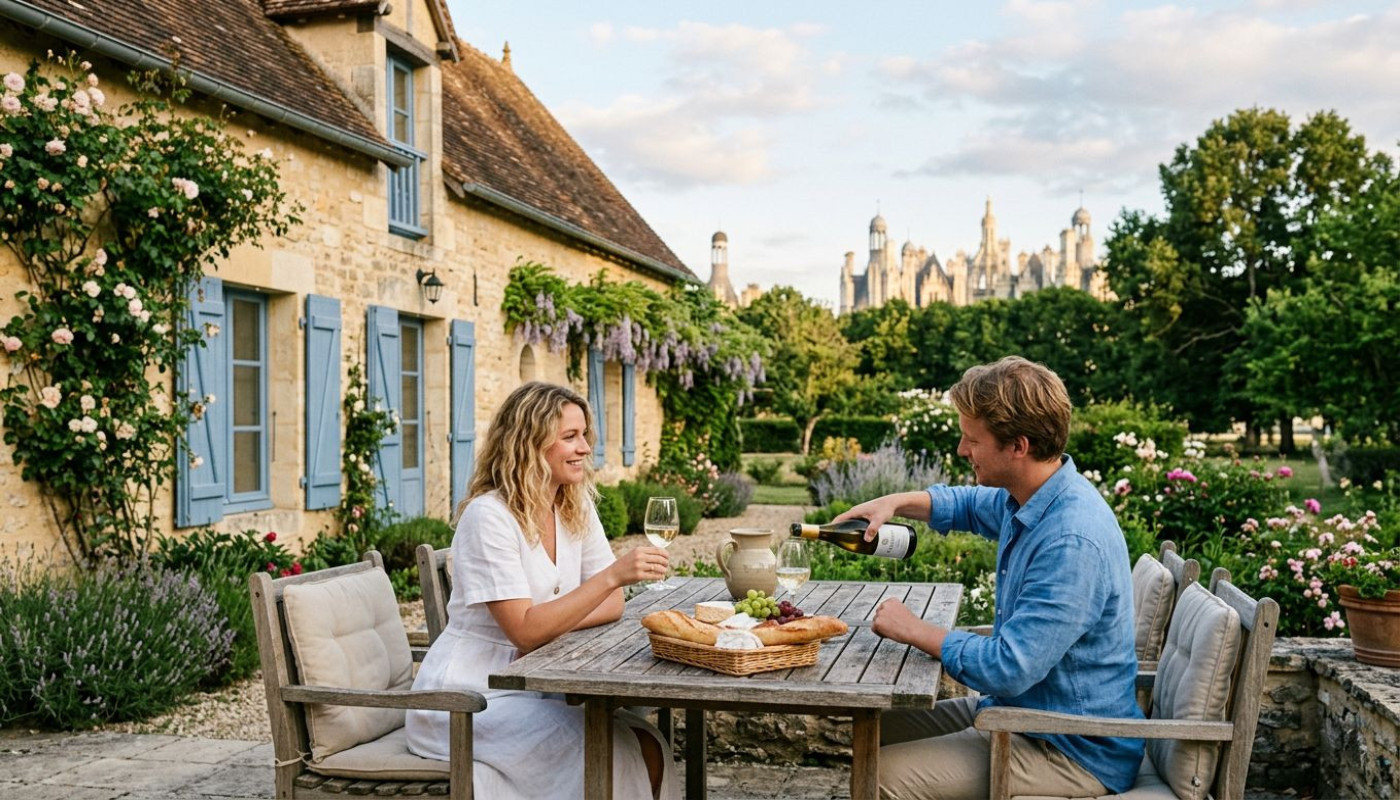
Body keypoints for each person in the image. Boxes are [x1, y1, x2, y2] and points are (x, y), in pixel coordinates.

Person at [835, 356, 1143, 800]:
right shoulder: (1034, 496)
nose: (962, 450)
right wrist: (895, 502)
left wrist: (914, 630)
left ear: (1017, 446)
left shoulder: (1071, 540)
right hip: (1021, 714)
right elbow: (964, 505)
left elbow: (1008, 667)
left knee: (880, 776)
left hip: (1069, 745)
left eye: (971, 439)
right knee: (874, 727)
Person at [406, 381, 678, 800]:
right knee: (620, 752)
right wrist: (608, 577)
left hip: (532, 682)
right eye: (570, 437)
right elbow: (526, 631)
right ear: (528, 444)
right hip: (468, 697)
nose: (585, 447)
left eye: (584, 434)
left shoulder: (574, 503)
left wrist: (552, 619)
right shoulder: (489, 517)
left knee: (648, 742)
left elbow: (613, 605)